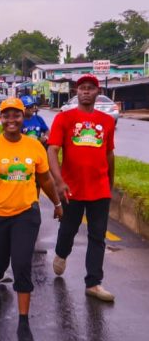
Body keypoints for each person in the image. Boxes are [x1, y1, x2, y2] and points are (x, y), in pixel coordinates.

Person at [0, 97, 62, 341]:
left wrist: (57, 203)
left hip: (26, 214)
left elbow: (45, 180)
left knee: (22, 265)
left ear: (24, 117)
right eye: (6, 115)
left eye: (16, 115)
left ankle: (23, 321)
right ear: (0, 119)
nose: (11, 120)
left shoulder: (34, 147)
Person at [48, 74, 116, 302]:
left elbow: (109, 153)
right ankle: (61, 253)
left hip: (99, 189)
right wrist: (59, 181)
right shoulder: (64, 118)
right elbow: (52, 150)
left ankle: (93, 283)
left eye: (90, 88)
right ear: (76, 92)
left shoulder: (107, 121)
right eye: (82, 88)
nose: (86, 91)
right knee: (68, 230)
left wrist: (110, 182)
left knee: (98, 236)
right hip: (71, 188)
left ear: (97, 92)